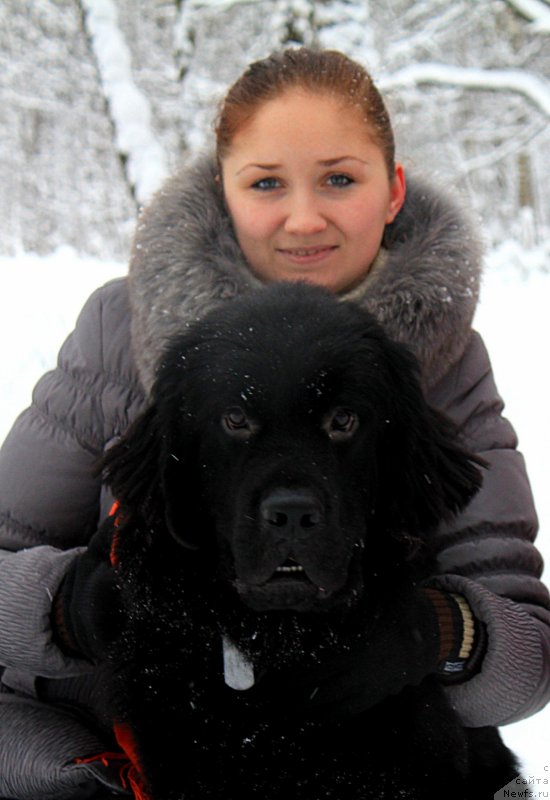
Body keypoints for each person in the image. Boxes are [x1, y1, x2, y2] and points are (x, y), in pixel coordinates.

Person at [0, 47, 548, 800]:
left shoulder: (446, 362)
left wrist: (438, 633)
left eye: (339, 179)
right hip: (104, 760)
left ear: (392, 190)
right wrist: (71, 608)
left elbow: (529, 658)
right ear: (223, 192)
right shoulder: (117, 331)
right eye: (266, 183)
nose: (304, 217)